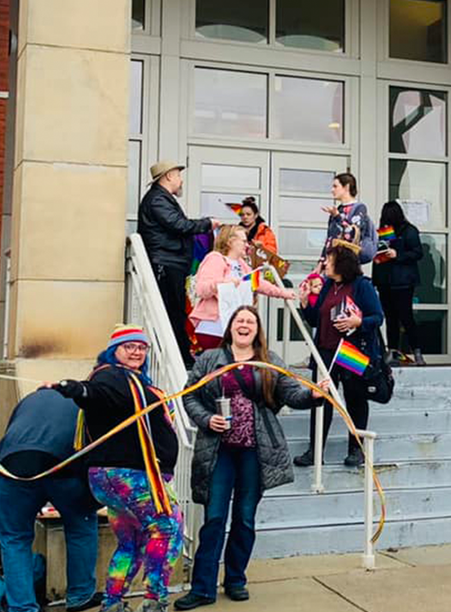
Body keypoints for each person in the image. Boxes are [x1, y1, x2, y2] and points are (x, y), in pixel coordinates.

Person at [174, 306, 327, 610]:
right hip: (218, 451)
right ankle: (203, 588)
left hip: (255, 452)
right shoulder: (209, 359)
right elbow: (188, 394)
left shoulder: (269, 362)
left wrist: (313, 396)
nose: (244, 326)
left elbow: (292, 394)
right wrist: (206, 419)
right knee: (214, 518)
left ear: (257, 330)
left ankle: (235, 579)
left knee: (244, 518)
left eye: (251, 322)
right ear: (230, 327)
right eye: (240, 321)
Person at [48, 326, 182, 612]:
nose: (136, 352)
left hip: (112, 478)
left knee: (131, 541)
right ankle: (154, 600)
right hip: (128, 476)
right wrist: (74, 388)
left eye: (141, 347)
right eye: (129, 346)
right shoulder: (112, 376)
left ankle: (112, 603)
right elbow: (95, 394)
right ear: (114, 351)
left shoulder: (133, 380)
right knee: (167, 527)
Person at [0, 390, 101, 612]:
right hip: (62, 466)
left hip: (12, 465)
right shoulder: (84, 404)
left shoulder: (28, 401)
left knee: (14, 537)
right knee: (81, 526)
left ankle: (22, 607)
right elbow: (93, 447)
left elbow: (10, 435)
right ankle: (80, 596)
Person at [294, 242, 384, 467]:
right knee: (321, 400)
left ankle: (357, 449)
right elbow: (316, 318)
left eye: (329, 260)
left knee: (355, 399)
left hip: (350, 352)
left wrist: (358, 321)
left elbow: (377, 317)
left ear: (341, 264)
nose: (324, 263)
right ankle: (315, 451)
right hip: (325, 351)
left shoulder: (361, 285)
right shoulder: (327, 285)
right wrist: (305, 303)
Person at [138, 161, 220, 368]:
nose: (181, 180)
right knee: (173, 312)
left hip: (169, 262)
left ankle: (182, 357)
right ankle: (181, 360)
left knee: (175, 311)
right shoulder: (157, 200)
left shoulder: (160, 199)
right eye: (178, 175)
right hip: (165, 264)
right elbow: (179, 225)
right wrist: (207, 223)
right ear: (168, 177)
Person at [190, 225, 295, 351]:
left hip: (233, 329)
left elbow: (258, 283)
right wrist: (223, 283)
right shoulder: (215, 258)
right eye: (244, 241)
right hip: (214, 328)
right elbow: (202, 289)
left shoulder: (242, 264)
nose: (247, 245)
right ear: (230, 242)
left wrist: (282, 293)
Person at [372, 201, 426, 367]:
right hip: (385, 281)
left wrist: (398, 254)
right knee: (391, 317)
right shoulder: (383, 232)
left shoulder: (409, 231)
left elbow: (418, 252)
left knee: (405, 316)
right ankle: (393, 350)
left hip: (402, 281)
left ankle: (416, 351)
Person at [320, 172, 376, 266]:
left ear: (346, 187)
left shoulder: (359, 208)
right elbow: (330, 239)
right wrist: (321, 262)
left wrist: (337, 217)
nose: (332, 190)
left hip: (348, 264)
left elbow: (352, 234)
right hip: (334, 262)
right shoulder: (338, 210)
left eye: (335, 186)